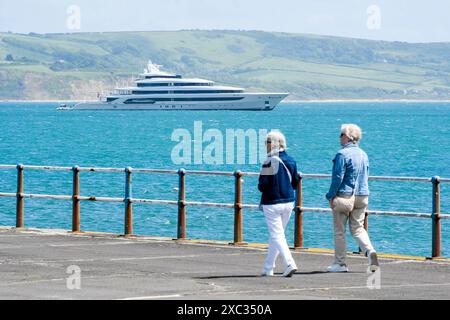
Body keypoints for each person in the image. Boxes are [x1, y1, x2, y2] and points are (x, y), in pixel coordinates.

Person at [325, 124, 379, 273]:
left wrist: (330, 195)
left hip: (344, 196)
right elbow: (366, 175)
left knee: (339, 230)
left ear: (348, 136)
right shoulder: (363, 154)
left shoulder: (342, 154)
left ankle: (340, 264)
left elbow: (337, 178)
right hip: (362, 195)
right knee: (357, 228)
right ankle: (370, 251)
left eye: (341, 134)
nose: (339, 137)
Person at [258, 131, 299, 277]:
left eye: (266, 142)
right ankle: (269, 267)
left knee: (277, 235)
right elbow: (295, 182)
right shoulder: (291, 160)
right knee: (277, 235)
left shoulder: (269, 161)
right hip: (288, 201)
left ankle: (289, 263)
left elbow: (263, 185)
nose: (265, 145)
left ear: (272, 144)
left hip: (272, 202)